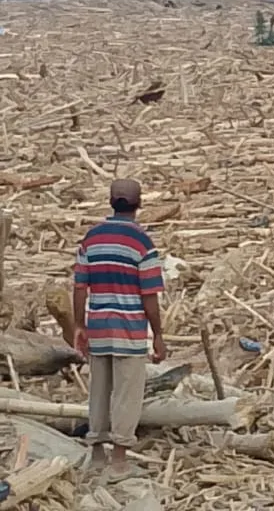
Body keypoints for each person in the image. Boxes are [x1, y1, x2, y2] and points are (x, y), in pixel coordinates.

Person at [72, 179, 167, 480]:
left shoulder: (92, 239)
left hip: (99, 326)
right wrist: (158, 336)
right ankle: (120, 460)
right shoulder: (142, 243)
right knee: (127, 393)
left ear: (111, 202)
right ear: (139, 204)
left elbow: (79, 287)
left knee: (98, 390)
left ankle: (97, 454)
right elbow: (149, 296)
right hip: (129, 329)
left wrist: (79, 325)